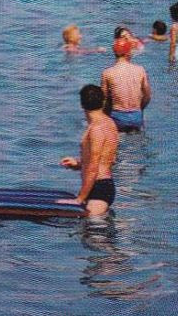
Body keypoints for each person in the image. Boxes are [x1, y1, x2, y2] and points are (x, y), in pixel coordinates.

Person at [57, 84, 118, 218]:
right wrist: (78, 164)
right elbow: (108, 160)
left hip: (98, 188)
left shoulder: (96, 129)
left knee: (94, 231)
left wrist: (79, 199)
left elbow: (94, 167)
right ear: (103, 102)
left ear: (82, 105)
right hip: (103, 185)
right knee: (90, 234)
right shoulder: (110, 123)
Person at [100, 34, 151, 132]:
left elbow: (103, 100)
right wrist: (139, 109)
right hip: (137, 117)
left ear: (114, 53)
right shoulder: (141, 70)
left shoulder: (107, 73)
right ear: (129, 52)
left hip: (118, 118)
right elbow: (147, 96)